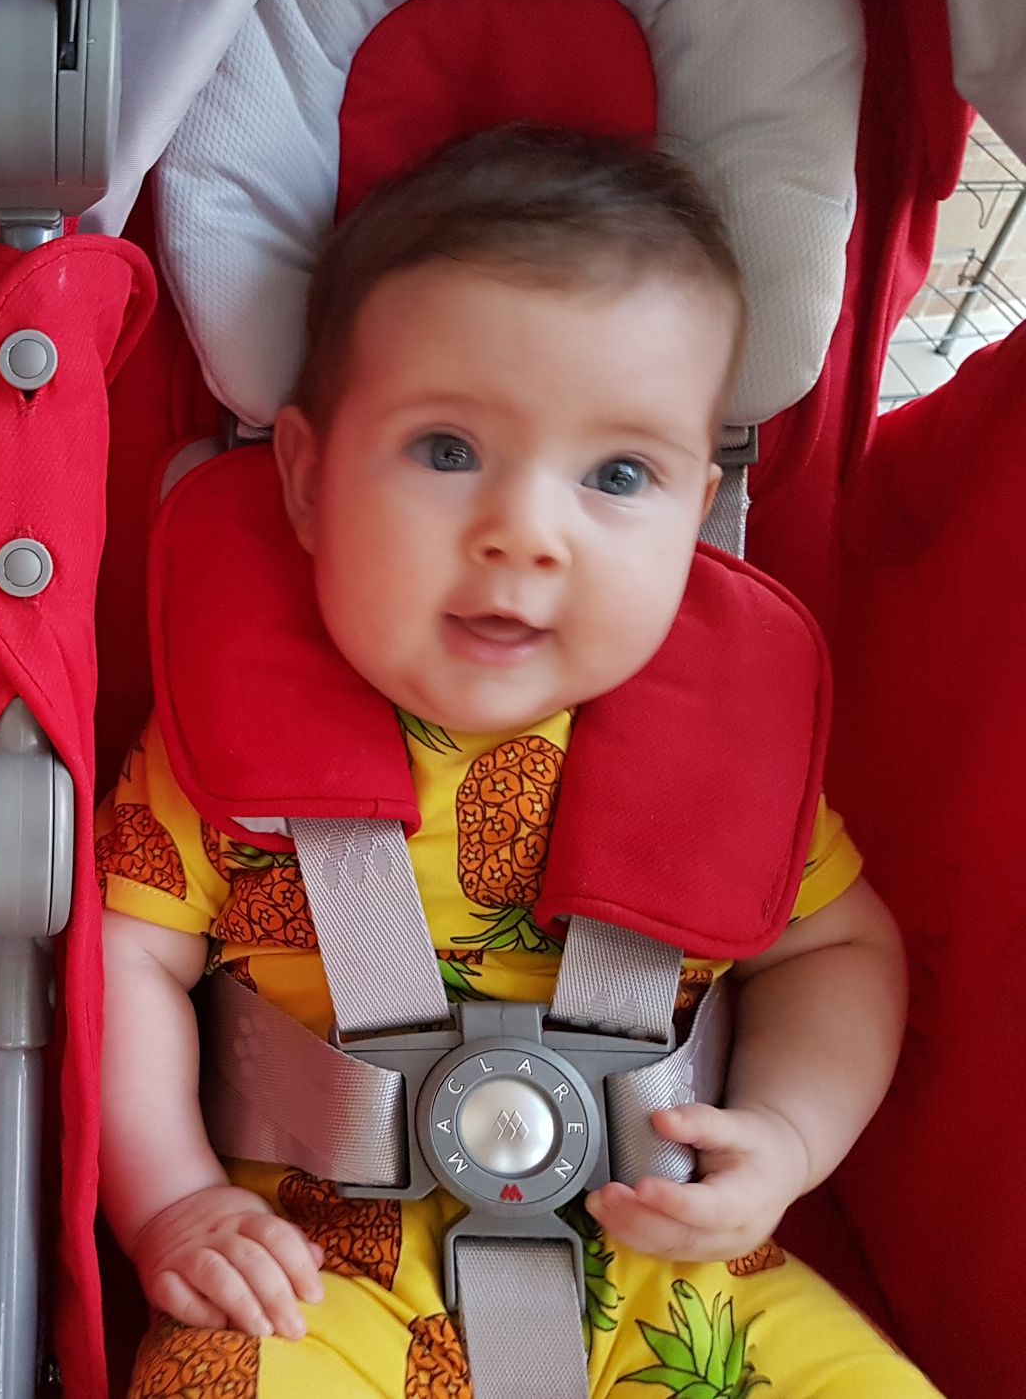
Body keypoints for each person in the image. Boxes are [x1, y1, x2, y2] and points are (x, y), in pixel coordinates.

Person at [100, 125, 937, 1396]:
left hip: (664, 1263)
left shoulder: (724, 748)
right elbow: (117, 960)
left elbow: (837, 949)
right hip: (321, 1263)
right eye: (447, 451)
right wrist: (172, 1199)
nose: (523, 534)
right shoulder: (226, 737)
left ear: (697, 510)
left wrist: (783, 1139)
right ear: (309, 481)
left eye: (616, 474)